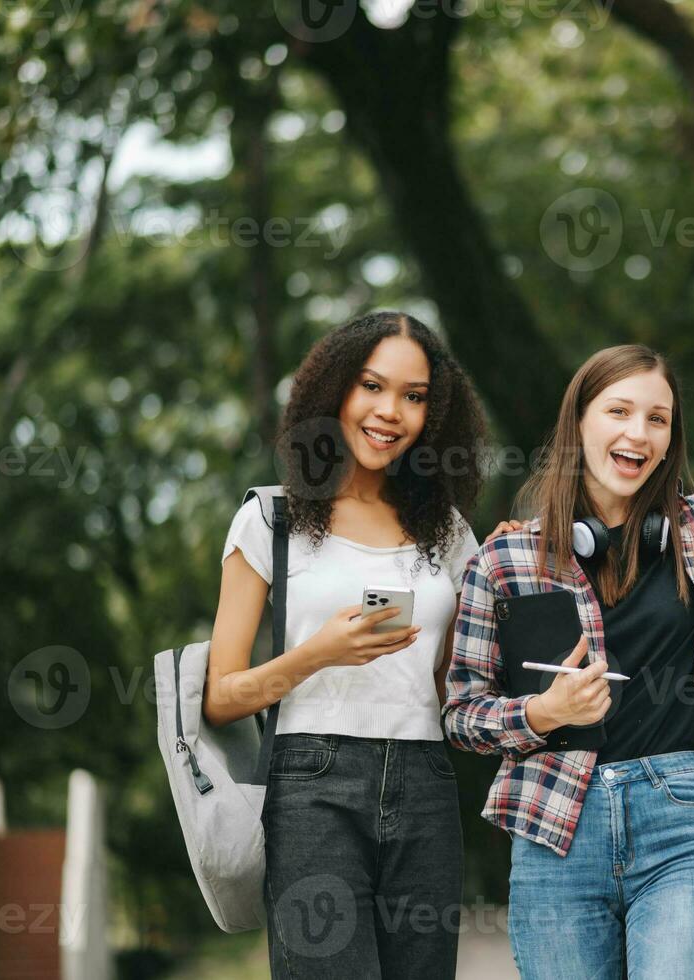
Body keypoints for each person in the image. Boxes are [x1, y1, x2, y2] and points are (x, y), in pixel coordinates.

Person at [443, 344, 694, 979]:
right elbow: (463, 716)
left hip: (681, 820)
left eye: (657, 419)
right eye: (619, 411)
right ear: (577, 422)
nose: (638, 433)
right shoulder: (504, 561)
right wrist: (542, 713)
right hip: (554, 823)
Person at [205, 311, 486, 978]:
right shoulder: (270, 520)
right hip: (312, 786)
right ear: (334, 391)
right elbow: (220, 698)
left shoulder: (447, 533)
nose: (391, 411)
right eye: (372, 386)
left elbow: (461, 685)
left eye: (414, 396)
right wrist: (318, 652)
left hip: (425, 783)